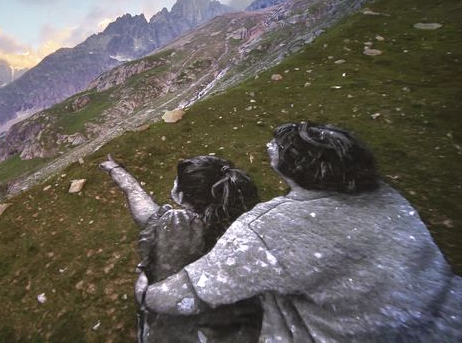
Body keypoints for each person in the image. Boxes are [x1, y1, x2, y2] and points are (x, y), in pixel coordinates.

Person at [142, 122, 462, 342]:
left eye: (276, 145)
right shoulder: (385, 194)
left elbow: (186, 296)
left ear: (289, 167)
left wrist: (145, 292)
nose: (270, 145)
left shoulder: (267, 229)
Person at [100, 155, 263, 342]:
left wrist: (116, 172)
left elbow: (141, 206)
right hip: (240, 325)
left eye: (177, 181)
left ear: (181, 194)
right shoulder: (246, 217)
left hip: (179, 329)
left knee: (144, 285)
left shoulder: (177, 225)